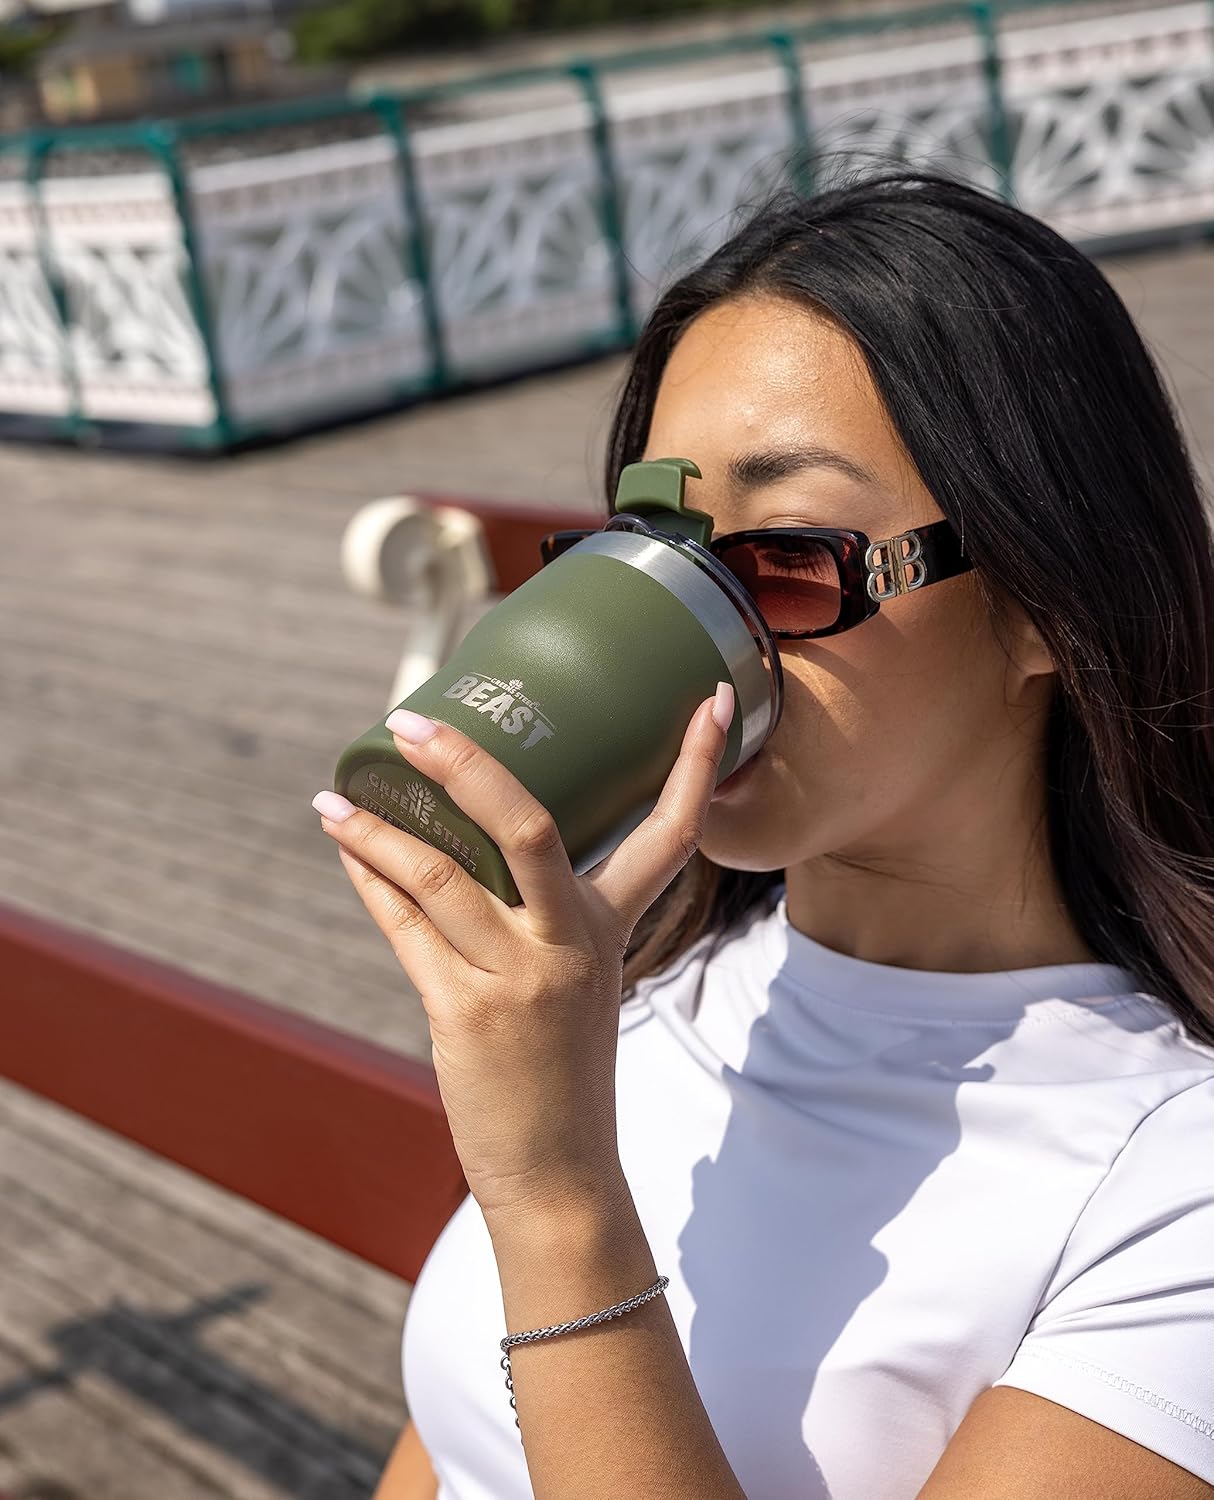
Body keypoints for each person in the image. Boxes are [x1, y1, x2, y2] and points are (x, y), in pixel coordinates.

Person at [318, 166, 1214, 1498]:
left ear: (1044, 598)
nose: (689, 630)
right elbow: (454, 1455)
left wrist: (556, 1199)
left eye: (788, 559)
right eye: (654, 547)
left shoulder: (1168, 1186)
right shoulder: (633, 999)